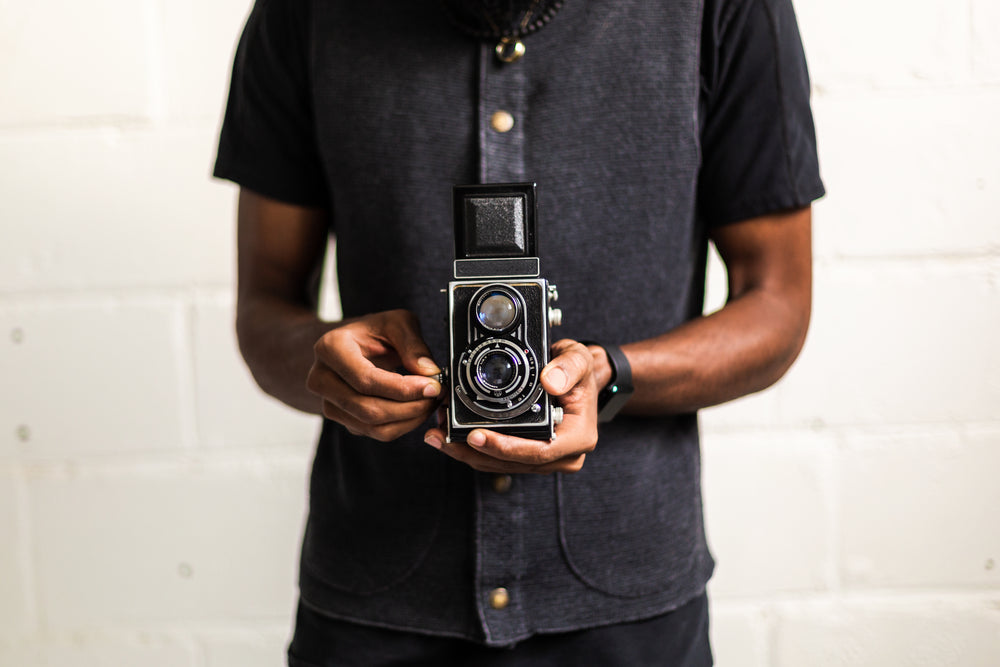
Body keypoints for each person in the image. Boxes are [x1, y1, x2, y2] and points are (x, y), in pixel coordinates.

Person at [214, 0, 824, 664]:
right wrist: (333, 369)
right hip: (377, 592)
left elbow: (777, 302)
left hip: (627, 600)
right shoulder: (303, 12)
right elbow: (265, 305)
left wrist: (612, 375)